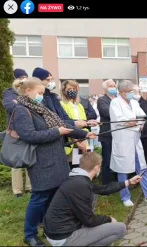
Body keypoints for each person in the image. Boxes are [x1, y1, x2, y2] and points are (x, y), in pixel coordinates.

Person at [11, 77, 96, 247]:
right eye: (40, 92)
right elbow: (30, 135)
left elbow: (62, 123)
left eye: (42, 93)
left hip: (56, 160)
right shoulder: (21, 110)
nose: (42, 96)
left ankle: (50, 227)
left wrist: (84, 133)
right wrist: (56, 133)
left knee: (54, 197)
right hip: (41, 162)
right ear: (28, 91)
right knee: (40, 198)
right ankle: (30, 234)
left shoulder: (40, 107)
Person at [43, 152, 140, 246]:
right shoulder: (80, 185)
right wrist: (109, 219)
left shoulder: (77, 179)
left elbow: (103, 189)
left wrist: (129, 182)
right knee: (120, 228)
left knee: (105, 230)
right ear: (97, 167)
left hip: (59, 231)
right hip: (63, 238)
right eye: (100, 166)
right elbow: (89, 220)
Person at [109, 80, 147, 207]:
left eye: (132, 91)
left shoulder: (134, 102)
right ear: (121, 92)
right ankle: (125, 197)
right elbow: (119, 120)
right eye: (129, 91)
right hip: (123, 141)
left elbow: (141, 116)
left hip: (135, 139)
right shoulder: (115, 103)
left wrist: (137, 122)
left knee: (142, 166)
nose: (132, 93)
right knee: (123, 169)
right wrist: (132, 122)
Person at [2, 69, 31, 198]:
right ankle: (18, 190)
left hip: (29, 129)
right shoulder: (9, 93)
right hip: (15, 131)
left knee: (29, 158)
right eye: (21, 77)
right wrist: (22, 105)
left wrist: (19, 104)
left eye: (25, 77)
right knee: (16, 161)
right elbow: (9, 106)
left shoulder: (29, 91)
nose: (23, 80)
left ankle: (30, 187)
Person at [60, 80, 97, 169]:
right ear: (64, 90)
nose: (72, 91)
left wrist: (88, 124)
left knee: (83, 167)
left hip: (83, 139)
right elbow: (66, 124)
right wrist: (76, 141)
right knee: (72, 168)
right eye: (69, 89)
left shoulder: (79, 105)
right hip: (71, 142)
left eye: (74, 89)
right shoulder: (62, 104)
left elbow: (82, 124)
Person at [97, 79, 117, 185]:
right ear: (105, 89)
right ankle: (106, 182)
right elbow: (107, 112)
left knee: (116, 158)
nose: (113, 87)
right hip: (107, 134)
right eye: (111, 86)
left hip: (117, 134)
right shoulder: (102, 100)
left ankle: (116, 179)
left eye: (114, 85)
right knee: (107, 159)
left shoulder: (117, 99)